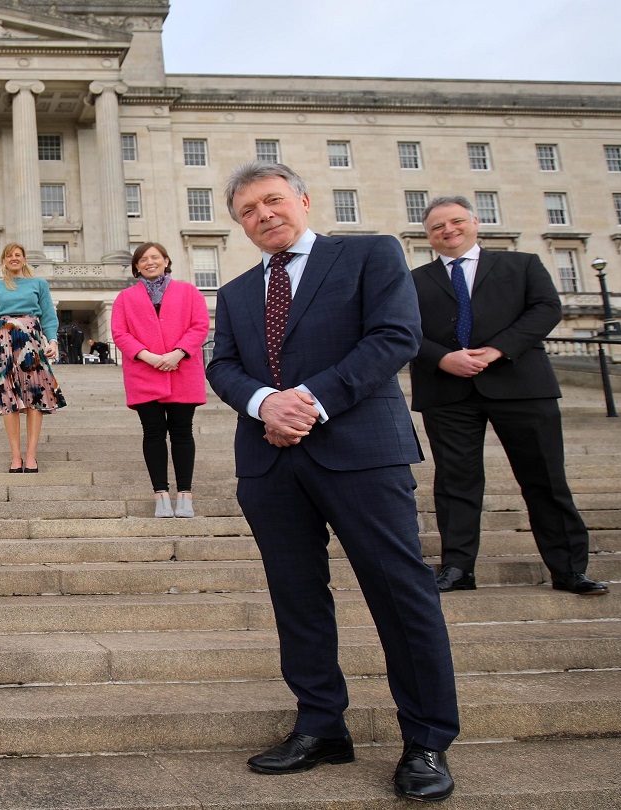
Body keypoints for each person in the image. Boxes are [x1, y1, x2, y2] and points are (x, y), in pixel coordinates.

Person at [206, 162, 460, 802]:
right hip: (269, 460)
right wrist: (266, 403)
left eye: (272, 201)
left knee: (400, 594)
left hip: (360, 451)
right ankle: (321, 726)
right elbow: (223, 365)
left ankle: (426, 738)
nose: (262, 216)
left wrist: (309, 401)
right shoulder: (235, 292)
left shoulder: (370, 254)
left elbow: (395, 337)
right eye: (247, 212)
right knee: (297, 598)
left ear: (302, 199)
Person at [412, 196, 609, 596]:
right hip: (447, 390)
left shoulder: (521, 265)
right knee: (455, 482)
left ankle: (569, 570)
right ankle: (457, 568)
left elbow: (546, 309)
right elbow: (401, 329)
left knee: (545, 480)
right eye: (437, 227)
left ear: (475, 222)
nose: (448, 231)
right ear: (428, 237)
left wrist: (498, 349)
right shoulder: (413, 280)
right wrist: (443, 358)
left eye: (455, 222)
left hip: (520, 385)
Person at [111, 241, 210, 518]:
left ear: (166, 261)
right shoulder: (125, 298)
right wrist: (148, 356)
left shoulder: (188, 291)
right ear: (136, 266)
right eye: (143, 259)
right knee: (153, 433)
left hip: (182, 371)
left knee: (182, 433)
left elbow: (200, 325)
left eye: (155, 257)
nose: (149, 262)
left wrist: (178, 353)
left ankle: (185, 495)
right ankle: (161, 495)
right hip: (144, 372)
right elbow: (120, 333)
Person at [0, 243, 66, 473]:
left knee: (35, 397)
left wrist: (52, 340)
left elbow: (48, 316)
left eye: (18, 255)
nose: (14, 258)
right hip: (3, 343)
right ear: (3, 261)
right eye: (9, 256)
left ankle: (31, 455)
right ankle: (16, 456)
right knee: (9, 399)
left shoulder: (39, 283)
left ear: (24, 259)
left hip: (32, 342)